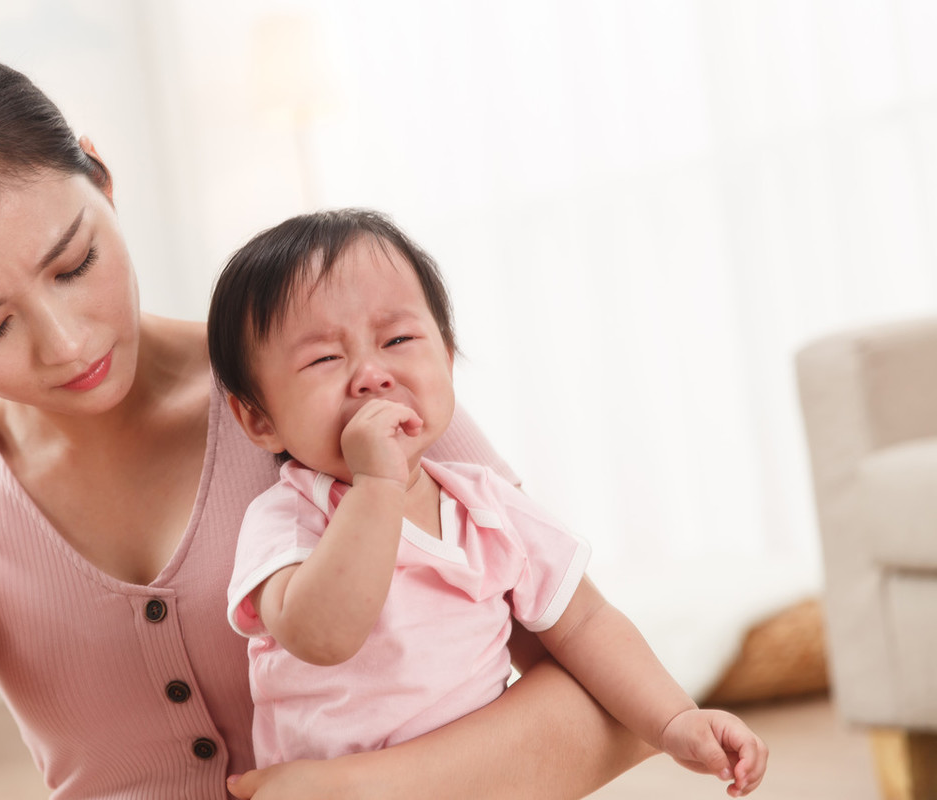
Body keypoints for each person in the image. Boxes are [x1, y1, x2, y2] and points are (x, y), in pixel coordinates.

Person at [0, 45, 654, 800]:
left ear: (103, 179)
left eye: (77, 262)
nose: (66, 343)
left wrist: (366, 791)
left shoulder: (319, 390)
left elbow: (606, 702)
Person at [207, 209, 769, 796]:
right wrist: (377, 486)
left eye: (398, 340)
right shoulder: (290, 517)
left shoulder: (486, 506)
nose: (371, 375)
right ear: (260, 419)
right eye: (325, 358)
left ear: (446, 361)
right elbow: (323, 636)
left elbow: (583, 621)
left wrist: (676, 720)